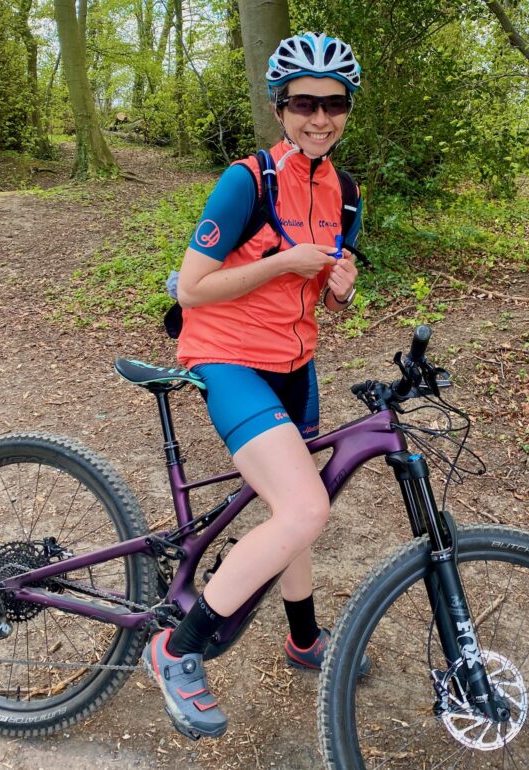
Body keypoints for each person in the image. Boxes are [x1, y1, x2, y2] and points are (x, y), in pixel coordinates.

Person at [142, 32, 365, 740]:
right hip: (228, 357)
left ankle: (303, 639)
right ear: (281, 107)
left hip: (296, 366)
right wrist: (280, 264)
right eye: (304, 102)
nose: (319, 117)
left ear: (347, 110)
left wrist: (341, 291)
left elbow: (326, 295)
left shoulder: (346, 192)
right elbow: (197, 288)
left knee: (295, 504)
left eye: (334, 104)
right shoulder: (248, 181)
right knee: (303, 508)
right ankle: (175, 649)